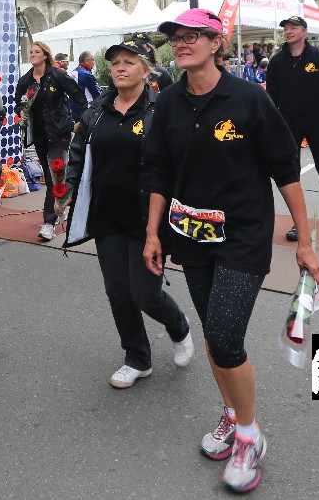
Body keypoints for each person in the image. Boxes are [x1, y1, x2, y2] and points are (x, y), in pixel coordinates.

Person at [141, 8, 319, 495]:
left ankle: (248, 434)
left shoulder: (248, 99)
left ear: (216, 43)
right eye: (176, 38)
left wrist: (305, 242)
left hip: (243, 235)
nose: (181, 43)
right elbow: (159, 171)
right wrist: (153, 234)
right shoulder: (168, 100)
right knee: (213, 331)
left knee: (223, 337)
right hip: (190, 234)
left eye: (193, 36)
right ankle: (230, 412)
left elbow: (286, 172)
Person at [62, 37, 194, 389]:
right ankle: (137, 358)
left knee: (145, 293)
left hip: (149, 217)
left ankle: (179, 326)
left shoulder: (161, 109)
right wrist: (68, 192)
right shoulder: (98, 109)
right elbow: (79, 151)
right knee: (118, 292)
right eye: (116, 63)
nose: (120, 68)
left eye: (129, 62)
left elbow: (176, 161)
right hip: (107, 214)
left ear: (146, 71)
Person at [265, 16, 319, 240]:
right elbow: (271, 96)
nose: (288, 31)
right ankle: (298, 221)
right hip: (288, 124)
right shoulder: (277, 61)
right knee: (291, 172)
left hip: (318, 122)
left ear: (304, 31)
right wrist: (269, 124)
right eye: (286, 28)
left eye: (294, 27)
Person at [15, 41, 88, 241]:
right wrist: (21, 111)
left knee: (57, 172)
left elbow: (79, 97)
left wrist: (79, 122)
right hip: (39, 134)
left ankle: (49, 222)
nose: (32, 54)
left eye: (37, 51)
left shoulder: (57, 75)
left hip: (60, 132)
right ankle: (60, 205)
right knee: (50, 177)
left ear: (45, 55)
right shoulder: (26, 80)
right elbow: (18, 102)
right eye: (31, 51)